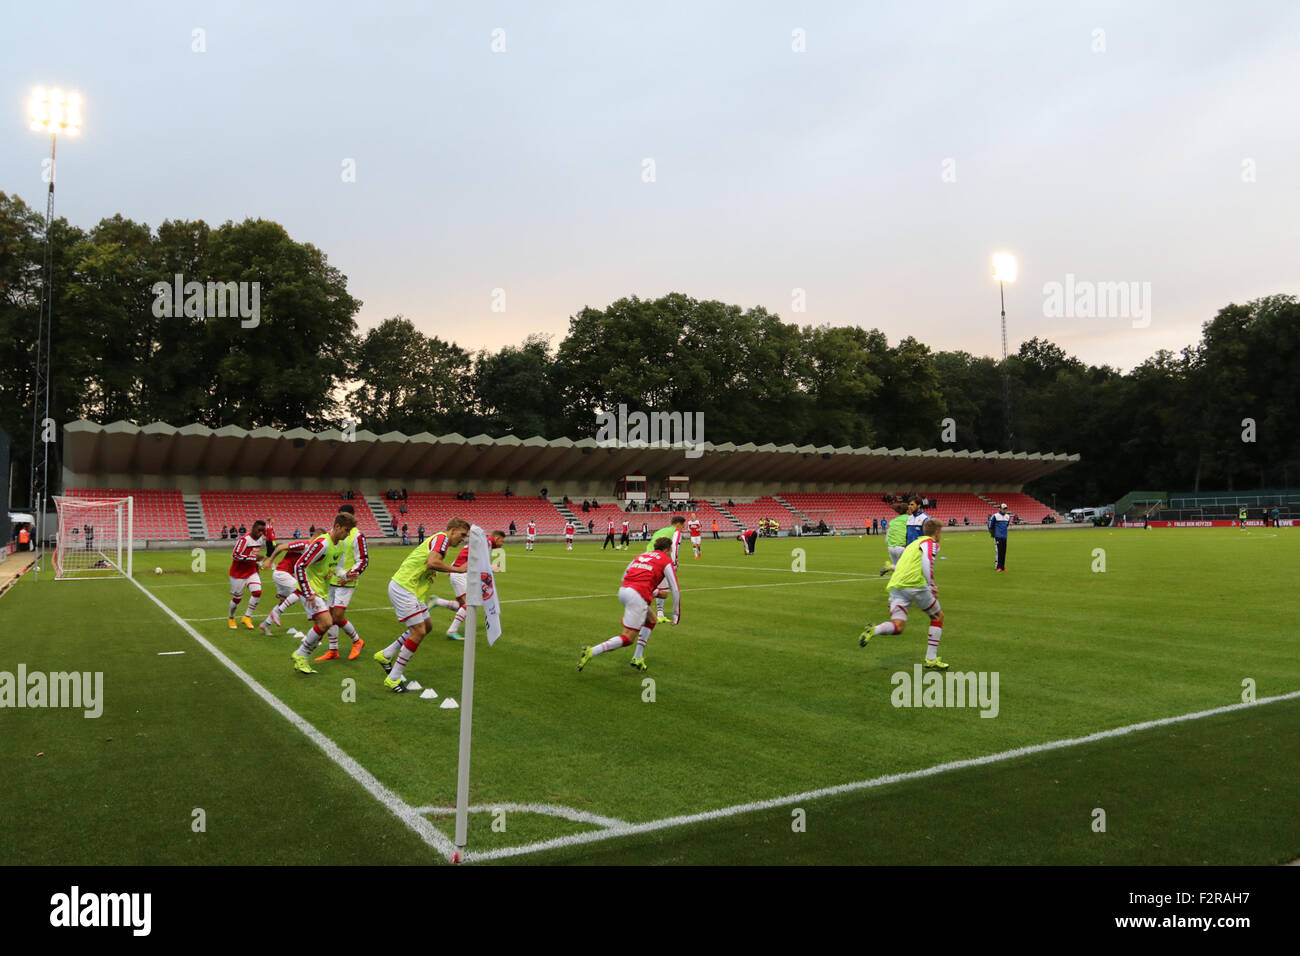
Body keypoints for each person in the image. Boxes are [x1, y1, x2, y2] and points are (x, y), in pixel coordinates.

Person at [372, 518, 469, 691]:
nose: (463, 539)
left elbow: (429, 563)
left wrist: (430, 571)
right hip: (404, 587)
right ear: (453, 530)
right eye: (462, 535)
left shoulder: (440, 540)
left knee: (427, 627)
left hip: (413, 590)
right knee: (419, 631)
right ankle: (393, 678)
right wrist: (457, 570)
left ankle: (385, 655)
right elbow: (433, 561)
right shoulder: (442, 539)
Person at [578, 536, 680, 673]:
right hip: (636, 596)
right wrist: (675, 614)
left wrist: (653, 591)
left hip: (624, 590)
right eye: (671, 550)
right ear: (667, 550)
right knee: (628, 638)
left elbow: (624, 575)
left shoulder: (642, 555)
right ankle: (591, 651)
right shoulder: (665, 560)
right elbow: (675, 589)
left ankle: (637, 657)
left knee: (651, 619)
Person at [859, 518, 948, 670]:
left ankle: (875, 630)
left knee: (898, 626)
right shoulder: (930, 543)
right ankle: (931, 659)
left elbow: (902, 565)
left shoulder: (912, 544)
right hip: (915, 585)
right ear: (937, 532)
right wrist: (932, 585)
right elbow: (927, 561)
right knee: (937, 616)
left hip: (896, 586)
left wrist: (890, 567)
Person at [289, 512, 359, 674]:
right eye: (346, 530)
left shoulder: (341, 545)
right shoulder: (322, 544)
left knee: (322, 627)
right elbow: (299, 565)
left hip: (322, 591)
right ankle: (300, 655)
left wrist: (346, 575)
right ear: (337, 526)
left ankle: (301, 656)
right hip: (310, 590)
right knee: (327, 622)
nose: (348, 534)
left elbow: (337, 568)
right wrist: (308, 592)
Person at [313, 503, 369, 662]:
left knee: (337, 616)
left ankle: (357, 640)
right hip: (331, 580)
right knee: (329, 617)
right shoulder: (334, 534)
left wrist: (351, 574)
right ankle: (333, 650)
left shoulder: (357, 535)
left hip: (346, 583)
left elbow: (363, 559)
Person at [444, 529, 506, 641]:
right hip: (461, 575)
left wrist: (453, 566)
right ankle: (452, 630)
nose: (502, 544)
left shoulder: (482, 542)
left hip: (459, 573)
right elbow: (479, 563)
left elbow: (467, 555)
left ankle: (438, 602)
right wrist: (492, 568)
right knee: (469, 604)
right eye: (502, 541)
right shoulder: (486, 543)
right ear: (497, 538)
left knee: (463, 605)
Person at [258, 538, 311, 633]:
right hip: (282, 573)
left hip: (286, 574)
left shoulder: (311, 549)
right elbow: (280, 547)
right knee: (300, 591)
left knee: (285, 601)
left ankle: (266, 624)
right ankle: (277, 613)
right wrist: (270, 560)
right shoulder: (305, 544)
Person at [227, 520, 268, 629]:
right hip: (238, 573)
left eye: (262, 531)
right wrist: (254, 558)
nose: (260, 533)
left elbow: (253, 553)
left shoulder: (260, 539)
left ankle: (247, 617)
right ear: (253, 528)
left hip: (251, 571)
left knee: (257, 592)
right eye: (259, 530)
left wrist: (259, 560)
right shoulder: (244, 540)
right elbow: (235, 555)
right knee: (237, 598)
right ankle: (231, 618)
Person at [645, 515, 686, 621]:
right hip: (659, 559)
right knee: (663, 588)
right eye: (682, 526)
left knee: (654, 586)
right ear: (678, 524)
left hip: (647, 557)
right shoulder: (677, 531)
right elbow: (675, 547)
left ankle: (651, 610)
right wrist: (674, 563)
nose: (683, 528)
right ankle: (659, 613)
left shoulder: (661, 530)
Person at [879, 503, 908, 576]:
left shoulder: (893, 521)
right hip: (901, 547)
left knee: (897, 568)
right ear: (907, 510)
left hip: (891, 547)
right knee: (907, 567)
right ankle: (889, 567)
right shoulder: (909, 519)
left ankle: (891, 569)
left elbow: (887, 536)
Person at [987, 502, 1011, 572]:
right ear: (1000, 509)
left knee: (1003, 551)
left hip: (1004, 536)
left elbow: (1007, 525)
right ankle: (998, 567)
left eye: (1006, 509)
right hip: (998, 536)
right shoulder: (995, 516)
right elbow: (990, 525)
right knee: (999, 551)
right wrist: (993, 534)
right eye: (1003, 509)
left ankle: (1003, 567)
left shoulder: (1007, 516)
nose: (1005, 510)